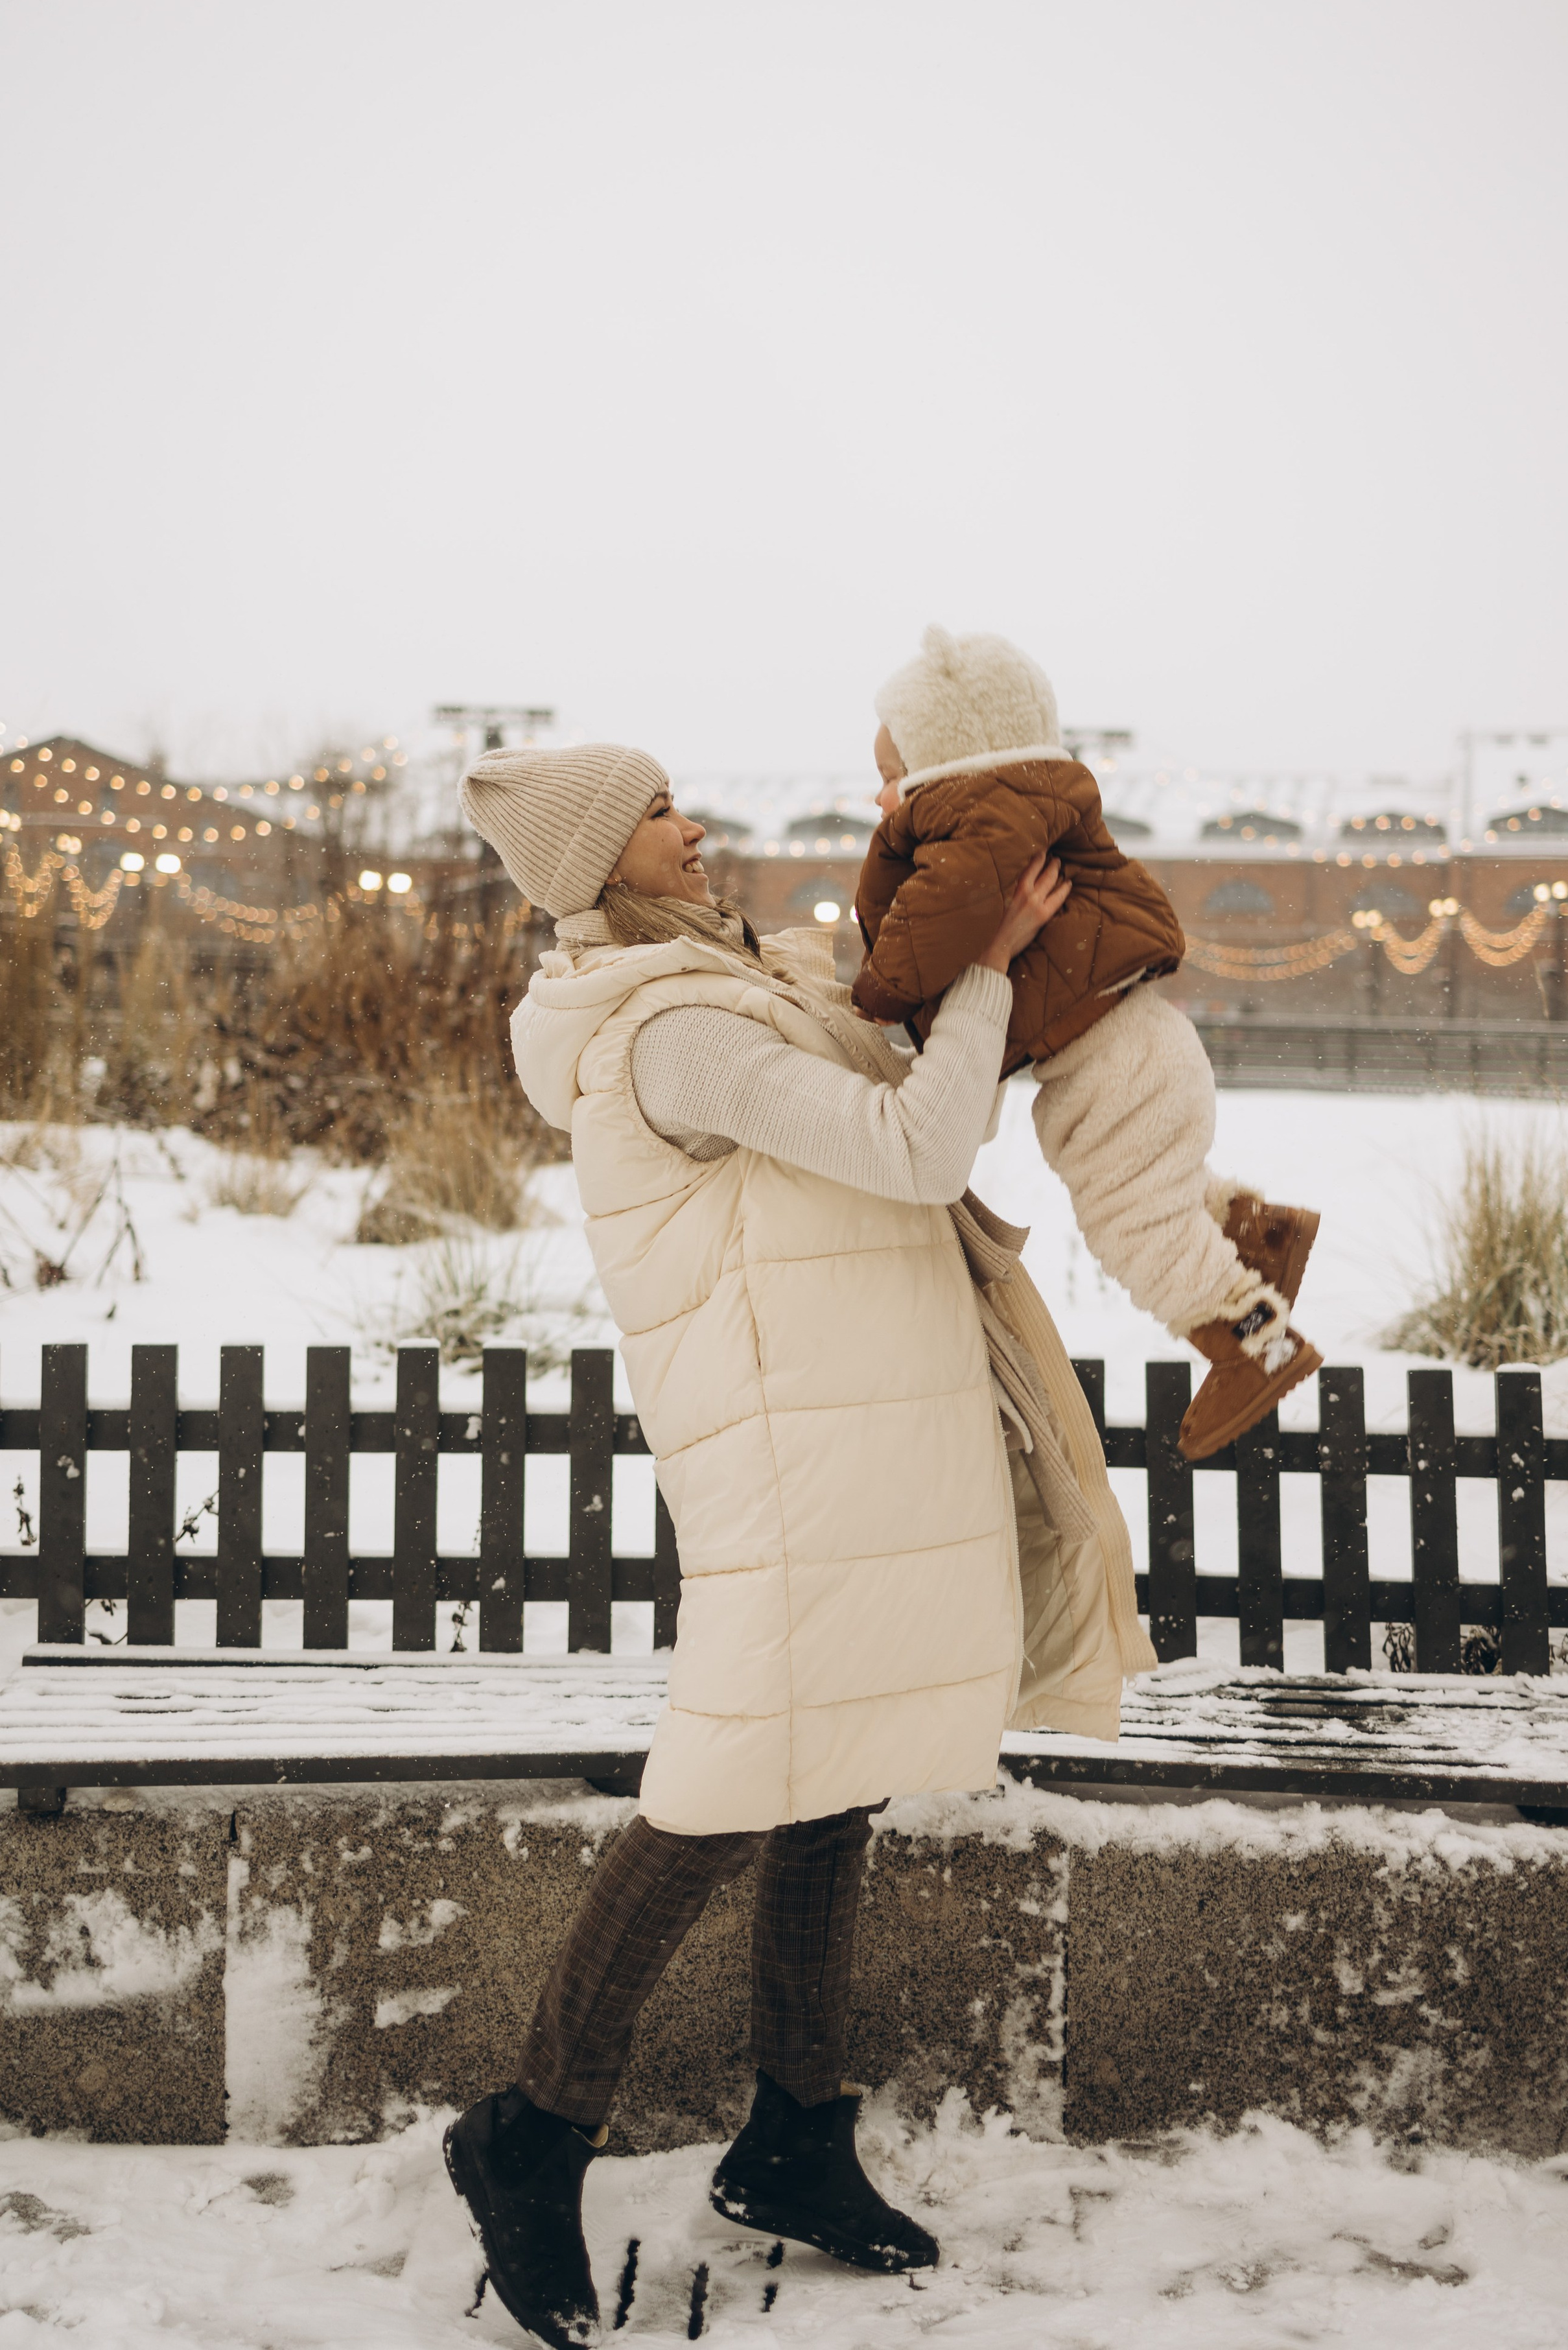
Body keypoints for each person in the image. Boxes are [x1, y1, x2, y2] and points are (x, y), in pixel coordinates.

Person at [445, 741, 1156, 2347]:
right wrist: (978, 970)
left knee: (833, 1779)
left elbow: (874, 1028)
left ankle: (792, 2137)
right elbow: (914, 1143)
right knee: (713, 1794)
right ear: (599, 861)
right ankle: (530, 2128)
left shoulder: (736, 984)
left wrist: (934, 835)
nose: (695, 826)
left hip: (848, 1444)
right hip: (783, 1459)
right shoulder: (672, 1033)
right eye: (659, 813)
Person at [854, 626, 1324, 1460]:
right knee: (1155, 1199)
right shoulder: (1023, 810)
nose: (879, 799)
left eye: (891, 778)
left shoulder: (977, 826)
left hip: (1116, 1068)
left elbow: (936, 920)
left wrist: (877, 989)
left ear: (947, 759)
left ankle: (1259, 1349)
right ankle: (1259, 1234)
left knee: (1135, 1230)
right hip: (1136, 1049)